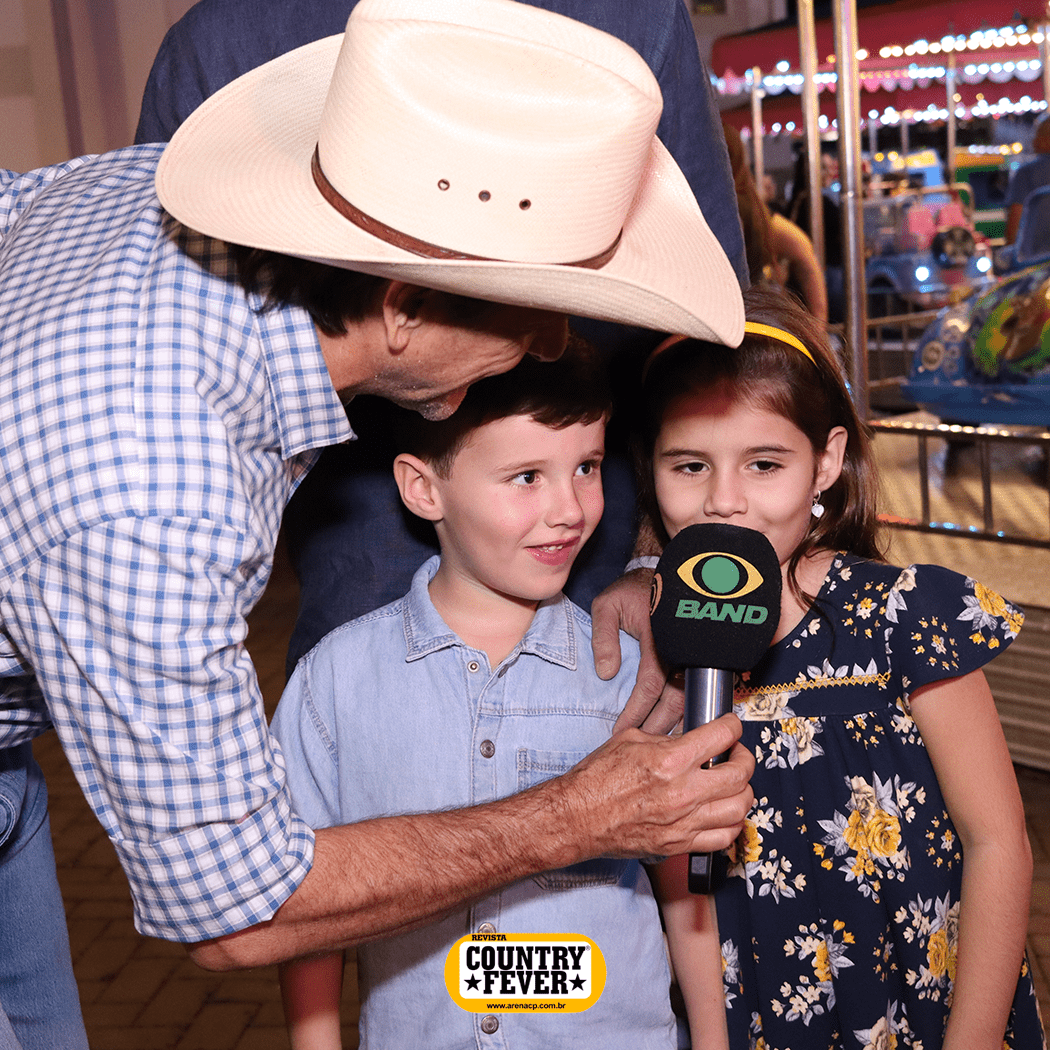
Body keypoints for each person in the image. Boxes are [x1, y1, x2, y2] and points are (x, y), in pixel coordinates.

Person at [0, 3, 753, 1047]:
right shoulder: (148, 488)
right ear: (401, 307)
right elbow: (236, 907)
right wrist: (579, 816)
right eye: (534, 309)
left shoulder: (130, 198)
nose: (552, 345)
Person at [132, 0, 750, 681]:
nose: (550, 340)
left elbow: (708, 349)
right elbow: (173, 368)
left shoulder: (634, 15)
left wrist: (660, 559)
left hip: (602, 560)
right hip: (358, 561)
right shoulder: (224, 40)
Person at [638, 289, 1046, 1049]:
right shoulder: (662, 649)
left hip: (927, 1007)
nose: (724, 501)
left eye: (765, 464)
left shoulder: (906, 616)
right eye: (690, 465)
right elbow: (681, 882)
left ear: (825, 461)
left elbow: (999, 844)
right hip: (763, 1012)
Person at [271, 344, 680, 1049]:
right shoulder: (334, 682)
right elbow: (304, 907)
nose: (569, 509)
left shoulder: (631, 678)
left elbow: (684, 887)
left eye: (587, 467)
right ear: (423, 488)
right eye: (527, 476)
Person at [721, 121, 827, 322]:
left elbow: (803, 252)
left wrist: (818, 323)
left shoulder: (735, 205)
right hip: (753, 315)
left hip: (736, 317)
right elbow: (804, 253)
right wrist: (818, 324)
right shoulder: (751, 205)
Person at [1005, 114, 1050, 245]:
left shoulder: (1026, 173)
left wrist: (1011, 250)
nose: (1033, 141)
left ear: (1046, 140)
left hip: (1035, 253)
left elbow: (1016, 218)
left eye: (1038, 136)